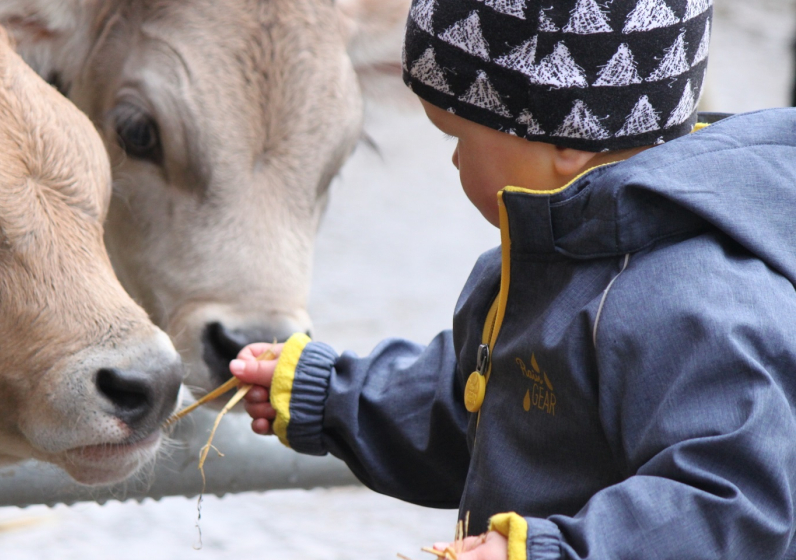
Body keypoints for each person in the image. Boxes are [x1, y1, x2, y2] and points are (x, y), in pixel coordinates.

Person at [229, 1, 796, 559]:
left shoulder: (695, 304)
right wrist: (329, 393)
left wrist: (551, 551)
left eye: (460, 138)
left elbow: (732, 504)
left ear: (567, 140)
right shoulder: (546, 258)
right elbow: (481, 410)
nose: (454, 163)